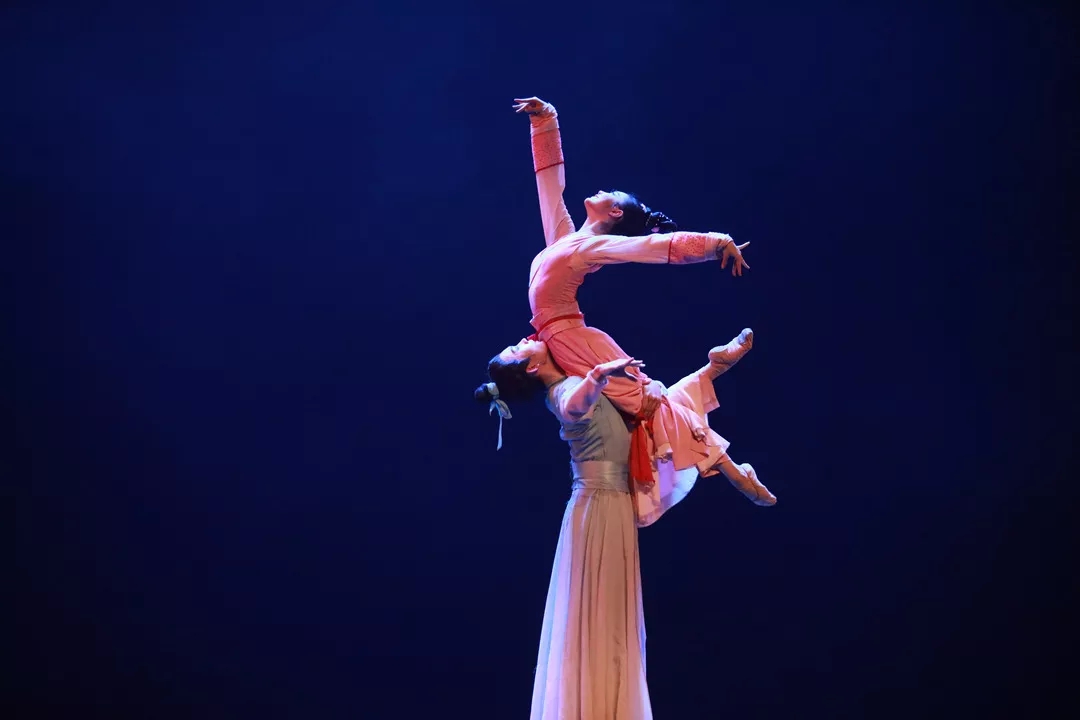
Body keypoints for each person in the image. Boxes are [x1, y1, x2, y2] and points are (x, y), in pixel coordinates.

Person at [492, 96, 775, 524]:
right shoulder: (566, 239)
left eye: (611, 193)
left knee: (645, 404)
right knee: (643, 403)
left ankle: (734, 468)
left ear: (614, 212)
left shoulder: (592, 247)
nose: (602, 189)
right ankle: (714, 376)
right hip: (566, 338)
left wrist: (715, 242)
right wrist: (544, 122)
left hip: (573, 340)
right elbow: (549, 189)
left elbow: (650, 247)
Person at [476, 352, 660, 719]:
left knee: (610, 617)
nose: (527, 338)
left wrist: (644, 386)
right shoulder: (561, 392)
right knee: (599, 615)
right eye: (518, 347)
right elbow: (575, 406)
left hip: (610, 505)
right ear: (532, 367)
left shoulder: (571, 379)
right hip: (598, 508)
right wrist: (598, 375)